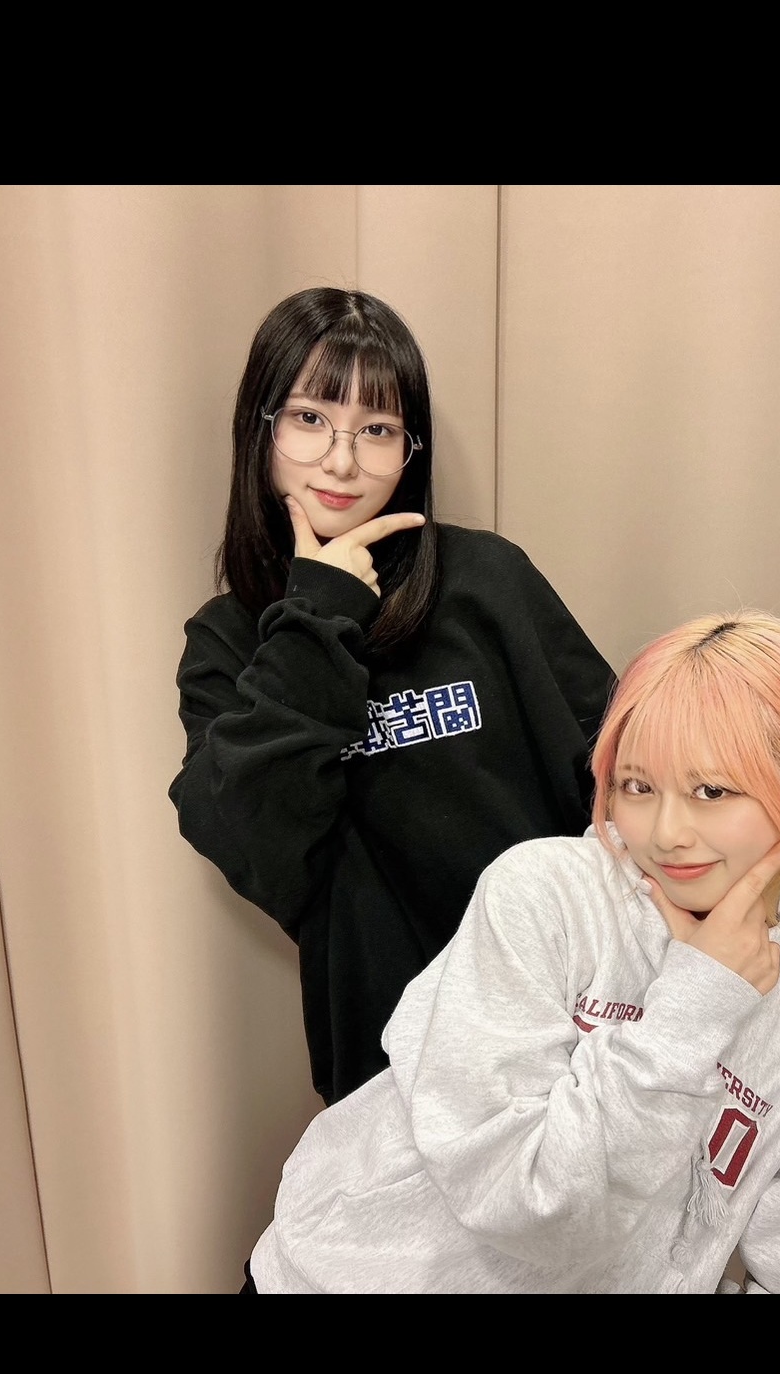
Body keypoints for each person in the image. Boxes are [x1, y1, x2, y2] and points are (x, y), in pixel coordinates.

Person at [245, 610, 780, 1294]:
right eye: (637, 786)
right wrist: (694, 1005)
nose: (667, 833)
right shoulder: (544, 896)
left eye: (711, 791)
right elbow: (522, 1201)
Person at [170, 288, 615, 1108]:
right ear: (260, 429)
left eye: (376, 429)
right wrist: (317, 613)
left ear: (409, 450)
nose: (341, 461)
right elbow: (251, 846)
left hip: (568, 1041)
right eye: (310, 418)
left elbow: (619, 773)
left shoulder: (486, 579)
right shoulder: (229, 642)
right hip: (391, 1076)